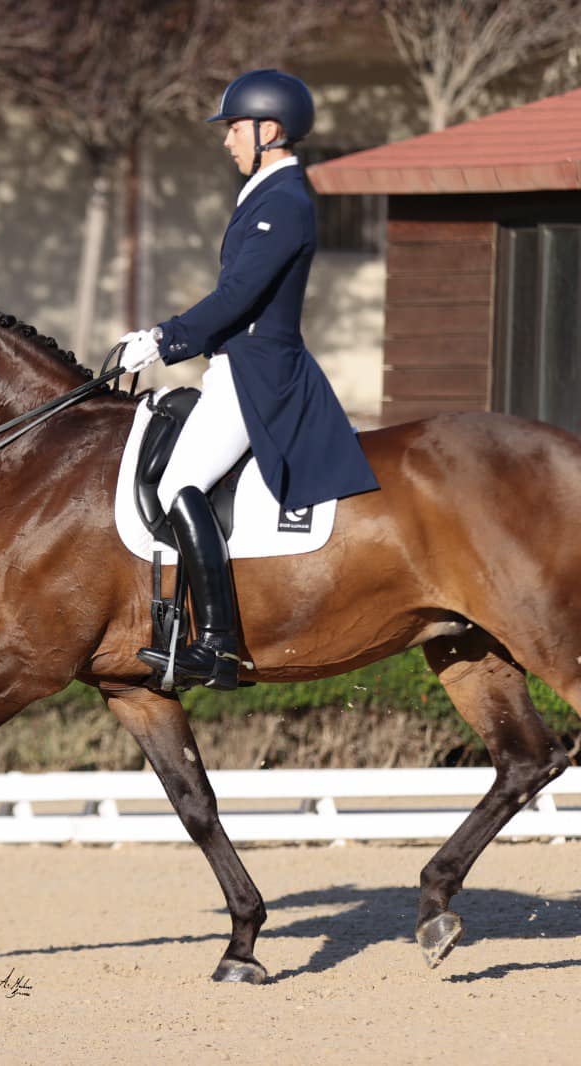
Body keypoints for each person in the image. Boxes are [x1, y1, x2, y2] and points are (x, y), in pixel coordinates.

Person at [117, 68, 379, 691]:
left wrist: (163, 338)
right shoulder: (263, 195)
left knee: (182, 479)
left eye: (235, 128)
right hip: (237, 367)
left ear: (269, 130)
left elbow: (238, 296)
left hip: (260, 375)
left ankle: (215, 644)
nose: (227, 140)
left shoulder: (284, 201)